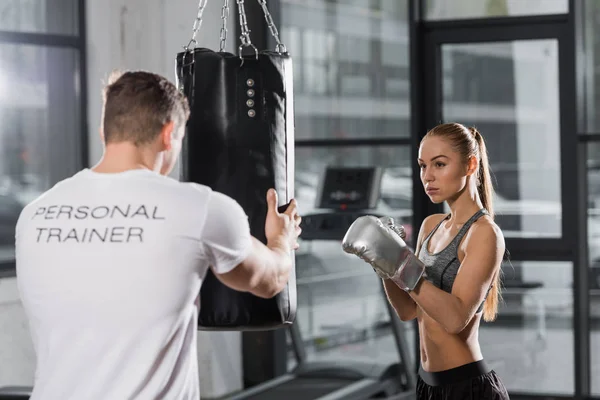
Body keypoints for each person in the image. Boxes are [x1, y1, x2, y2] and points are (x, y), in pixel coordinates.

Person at [14, 70, 301, 400]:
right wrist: (281, 237)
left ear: (104, 132)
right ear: (168, 135)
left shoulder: (35, 213)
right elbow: (271, 280)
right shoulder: (199, 207)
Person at [343, 122, 510, 399]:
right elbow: (408, 310)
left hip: (467, 387)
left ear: (470, 165)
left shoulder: (484, 233)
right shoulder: (431, 225)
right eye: (423, 166)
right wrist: (384, 265)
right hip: (428, 385)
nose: (428, 176)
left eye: (439, 164)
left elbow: (456, 318)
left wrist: (401, 265)